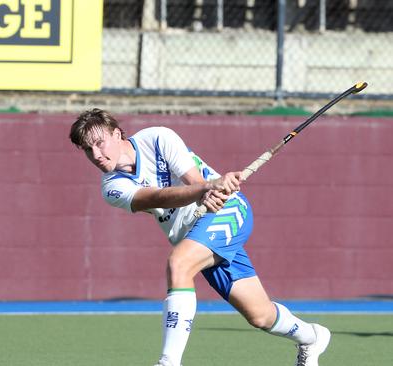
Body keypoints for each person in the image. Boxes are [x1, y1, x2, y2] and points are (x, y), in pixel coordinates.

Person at [69, 109, 331, 366]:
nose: (96, 155)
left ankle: (168, 362)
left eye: (99, 143)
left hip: (226, 211)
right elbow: (157, 197)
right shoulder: (112, 187)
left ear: (116, 134)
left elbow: (193, 179)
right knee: (260, 315)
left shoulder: (158, 138)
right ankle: (311, 337)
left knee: (179, 264)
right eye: (87, 150)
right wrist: (206, 188)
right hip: (195, 235)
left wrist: (209, 188)